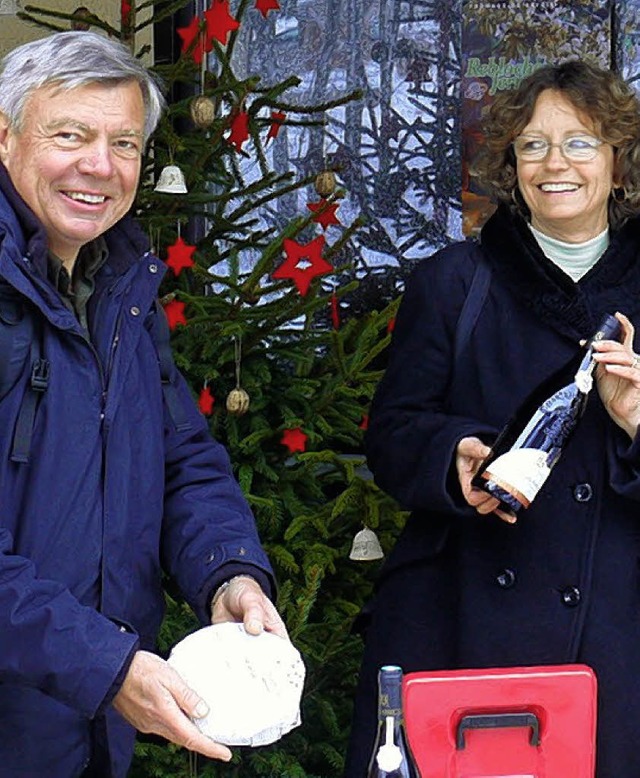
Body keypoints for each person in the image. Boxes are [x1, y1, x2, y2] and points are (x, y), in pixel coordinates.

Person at [0, 30, 288, 777]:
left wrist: (228, 574)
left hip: (86, 729)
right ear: (6, 137)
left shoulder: (120, 287)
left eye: (124, 143)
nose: (100, 166)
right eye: (71, 135)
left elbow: (181, 460)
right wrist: (107, 666)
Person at [345, 59, 640, 776]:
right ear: (511, 166)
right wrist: (455, 461)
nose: (554, 163)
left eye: (580, 142)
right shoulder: (453, 282)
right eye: (533, 145)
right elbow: (393, 431)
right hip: (463, 618)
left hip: (617, 627)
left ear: (618, 163)